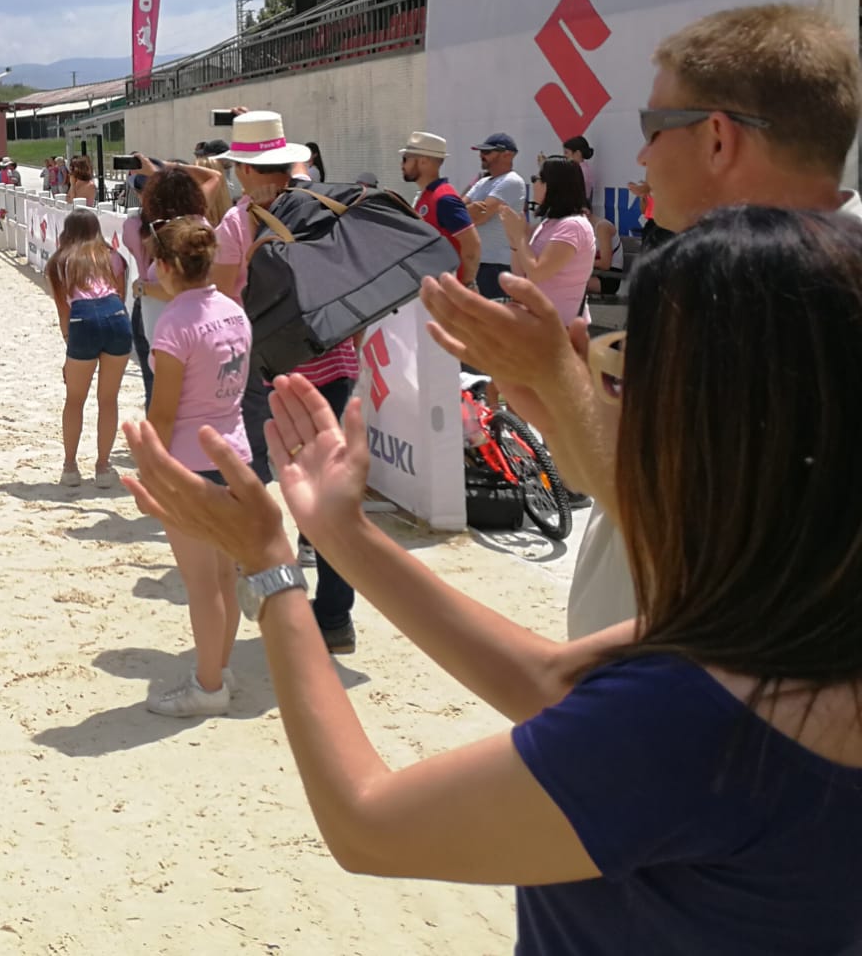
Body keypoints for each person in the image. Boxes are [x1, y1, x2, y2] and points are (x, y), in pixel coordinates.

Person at [122, 206, 862, 955]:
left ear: (724, 424)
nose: (596, 369)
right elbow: (550, 679)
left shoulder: (698, 720)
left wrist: (274, 571)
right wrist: (344, 533)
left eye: (624, 359)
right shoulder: (798, 625)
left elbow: (367, 822)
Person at [421, 3, 862, 642]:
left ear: (718, 137)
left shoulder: (757, 290)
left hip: (681, 689)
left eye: (653, 128)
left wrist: (550, 373)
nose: (644, 158)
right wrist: (543, 390)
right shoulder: (772, 276)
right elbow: (614, 473)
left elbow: (671, 510)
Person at [215, 110, 361, 655]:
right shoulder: (323, 207)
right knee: (331, 494)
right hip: (337, 363)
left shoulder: (239, 222)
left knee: (267, 482)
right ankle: (336, 615)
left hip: (279, 373)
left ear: (248, 171)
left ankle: (278, 594)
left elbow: (231, 299)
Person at [142, 215, 253, 718]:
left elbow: (163, 410)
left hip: (188, 460)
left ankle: (208, 686)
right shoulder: (233, 311)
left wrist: (153, 467)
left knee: (201, 584)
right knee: (224, 577)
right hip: (233, 454)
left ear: (167, 266)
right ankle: (220, 665)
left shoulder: (174, 324)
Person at [44, 209, 132, 488]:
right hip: (117, 318)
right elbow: (120, 296)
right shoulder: (114, 258)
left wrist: (70, 347)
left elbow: (63, 312)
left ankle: (70, 466)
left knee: (75, 398)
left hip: (82, 319)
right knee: (108, 399)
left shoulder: (60, 262)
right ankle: (103, 466)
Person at [123, 168, 212, 411]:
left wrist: (143, 287)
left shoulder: (137, 228)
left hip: (151, 308)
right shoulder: (201, 229)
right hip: (194, 313)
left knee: (155, 388)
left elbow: (171, 286)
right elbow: (214, 179)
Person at [501, 158, 595, 326]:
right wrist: (515, 240)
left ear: (552, 185)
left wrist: (520, 236)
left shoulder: (573, 226)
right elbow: (522, 274)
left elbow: (537, 272)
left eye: (537, 179)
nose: (534, 184)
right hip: (538, 323)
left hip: (561, 327)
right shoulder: (549, 223)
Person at [399, 131, 481, 288]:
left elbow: (472, 245)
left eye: (406, 159)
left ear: (423, 161)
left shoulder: (444, 199)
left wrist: (467, 284)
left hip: (450, 293)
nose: (402, 165)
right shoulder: (428, 196)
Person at [464, 132, 527, 299]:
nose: (481, 156)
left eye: (487, 152)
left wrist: (466, 211)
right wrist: (469, 211)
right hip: (479, 264)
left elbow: (480, 216)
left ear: (508, 154)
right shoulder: (482, 182)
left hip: (497, 266)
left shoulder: (512, 181)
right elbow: (457, 212)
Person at [561, 134, 595, 207]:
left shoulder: (580, 170)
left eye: (566, 153)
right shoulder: (584, 168)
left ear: (577, 153)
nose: (565, 156)